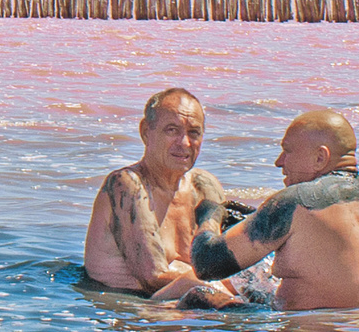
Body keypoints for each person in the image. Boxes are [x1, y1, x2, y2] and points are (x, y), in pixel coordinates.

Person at [189, 108, 359, 309]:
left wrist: (210, 216)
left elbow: (206, 263)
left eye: (287, 151)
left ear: (320, 157)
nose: (279, 162)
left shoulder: (295, 200)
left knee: (199, 296)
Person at [82, 87, 247, 307]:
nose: (185, 143)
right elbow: (153, 278)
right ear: (145, 132)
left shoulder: (205, 186)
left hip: (186, 304)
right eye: (172, 130)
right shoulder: (127, 185)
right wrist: (235, 294)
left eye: (194, 133)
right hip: (131, 308)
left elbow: (220, 263)